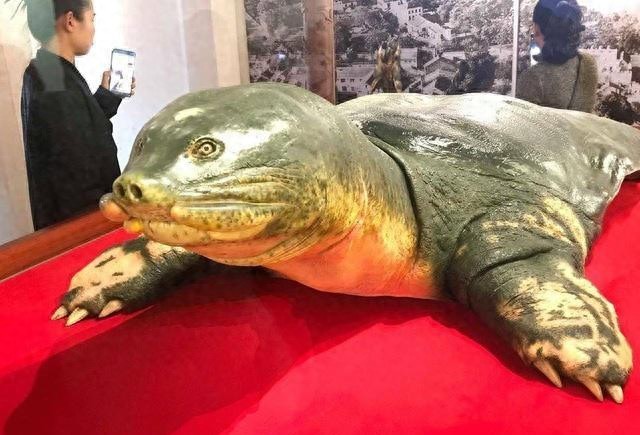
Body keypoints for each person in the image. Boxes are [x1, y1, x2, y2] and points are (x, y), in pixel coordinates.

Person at [21, 0, 135, 230]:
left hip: (73, 220)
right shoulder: (55, 84)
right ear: (71, 21)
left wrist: (107, 97)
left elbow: (80, 133)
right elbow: (78, 173)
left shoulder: (46, 71)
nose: (93, 28)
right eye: (92, 18)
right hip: (83, 225)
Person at [517, 0, 598, 113]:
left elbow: (520, 123)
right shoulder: (588, 63)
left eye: (536, 33)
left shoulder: (532, 77)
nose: (534, 37)